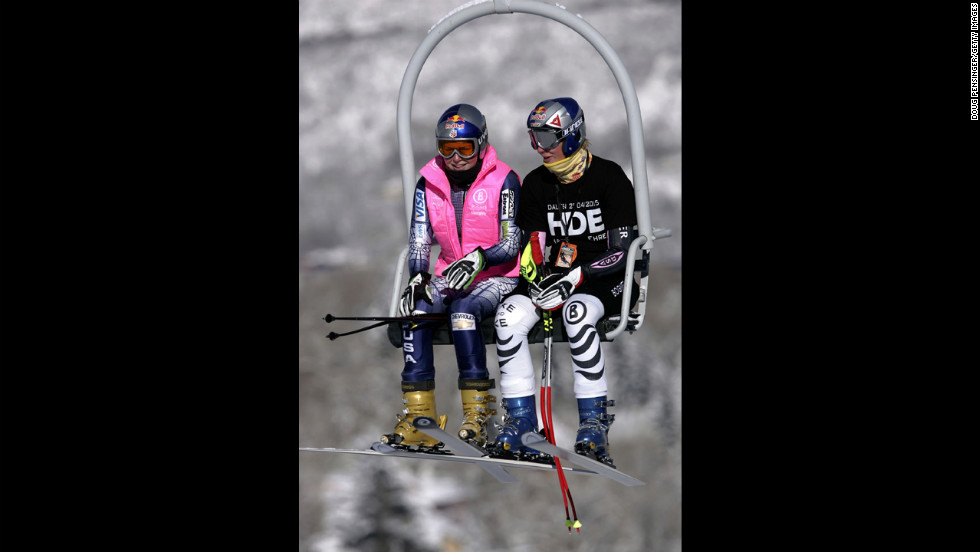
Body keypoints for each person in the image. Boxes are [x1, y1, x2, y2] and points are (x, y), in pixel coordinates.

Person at [491, 97, 638, 467]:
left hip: (604, 279)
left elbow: (622, 250)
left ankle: (593, 422)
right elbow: (532, 243)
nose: (540, 149)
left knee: (575, 314)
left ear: (571, 136)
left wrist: (577, 276)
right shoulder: (537, 183)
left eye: (546, 138)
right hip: (557, 280)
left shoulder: (609, 177)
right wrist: (537, 276)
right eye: (533, 139)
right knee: (507, 316)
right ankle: (523, 421)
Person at [381, 103, 522, 451]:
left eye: (465, 148)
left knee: (463, 314)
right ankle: (419, 418)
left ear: (481, 144)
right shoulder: (427, 184)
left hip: (498, 275)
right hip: (451, 273)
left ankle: (476, 415)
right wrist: (417, 277)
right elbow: (419, 239)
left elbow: (511, 241)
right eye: (447, 149)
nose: (456, 157)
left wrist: (480, 258)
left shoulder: (504, 179)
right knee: (416, 311)